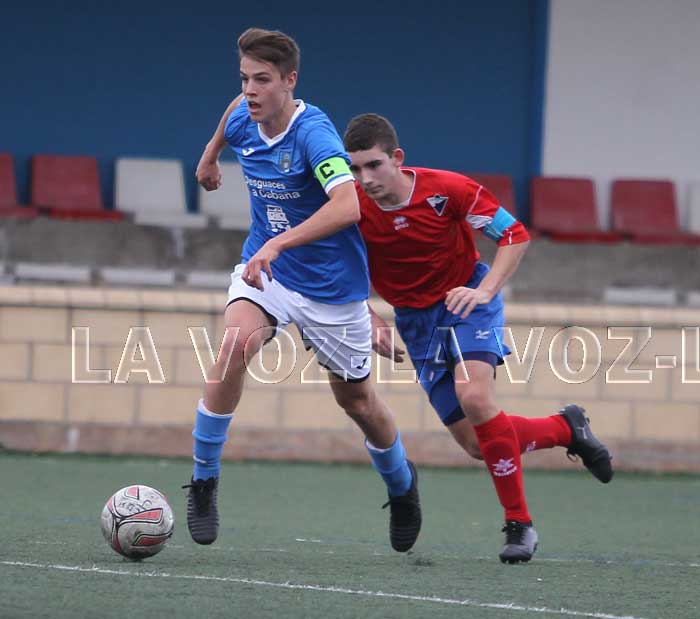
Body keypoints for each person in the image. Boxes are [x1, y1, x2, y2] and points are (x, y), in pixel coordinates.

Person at [184, 30, 421, 554]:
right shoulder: (244, 112)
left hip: (330, 288)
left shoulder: (315, 135)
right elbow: (231, 114)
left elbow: (348, 207)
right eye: (244, 79)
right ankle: (203, 481)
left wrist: (279, 243)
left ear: (290, 81)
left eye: (262, 80)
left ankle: (402, 485)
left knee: (357, 401)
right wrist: (210, 156)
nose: (250, 91)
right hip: (270, 273)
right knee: (233, 346)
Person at [342, 113, 613, 564]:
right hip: (415, 322)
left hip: (467, 301)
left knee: (474, 396)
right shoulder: (349, 207)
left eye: (373, 165)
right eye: (355, 168)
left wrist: (485, 291)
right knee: (475, 444)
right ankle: (566, 429)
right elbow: (339, 269)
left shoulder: (448, 190)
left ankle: (519, 524)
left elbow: (513, 234)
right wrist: (366, 315)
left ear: (397, 158)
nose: (365, 178)